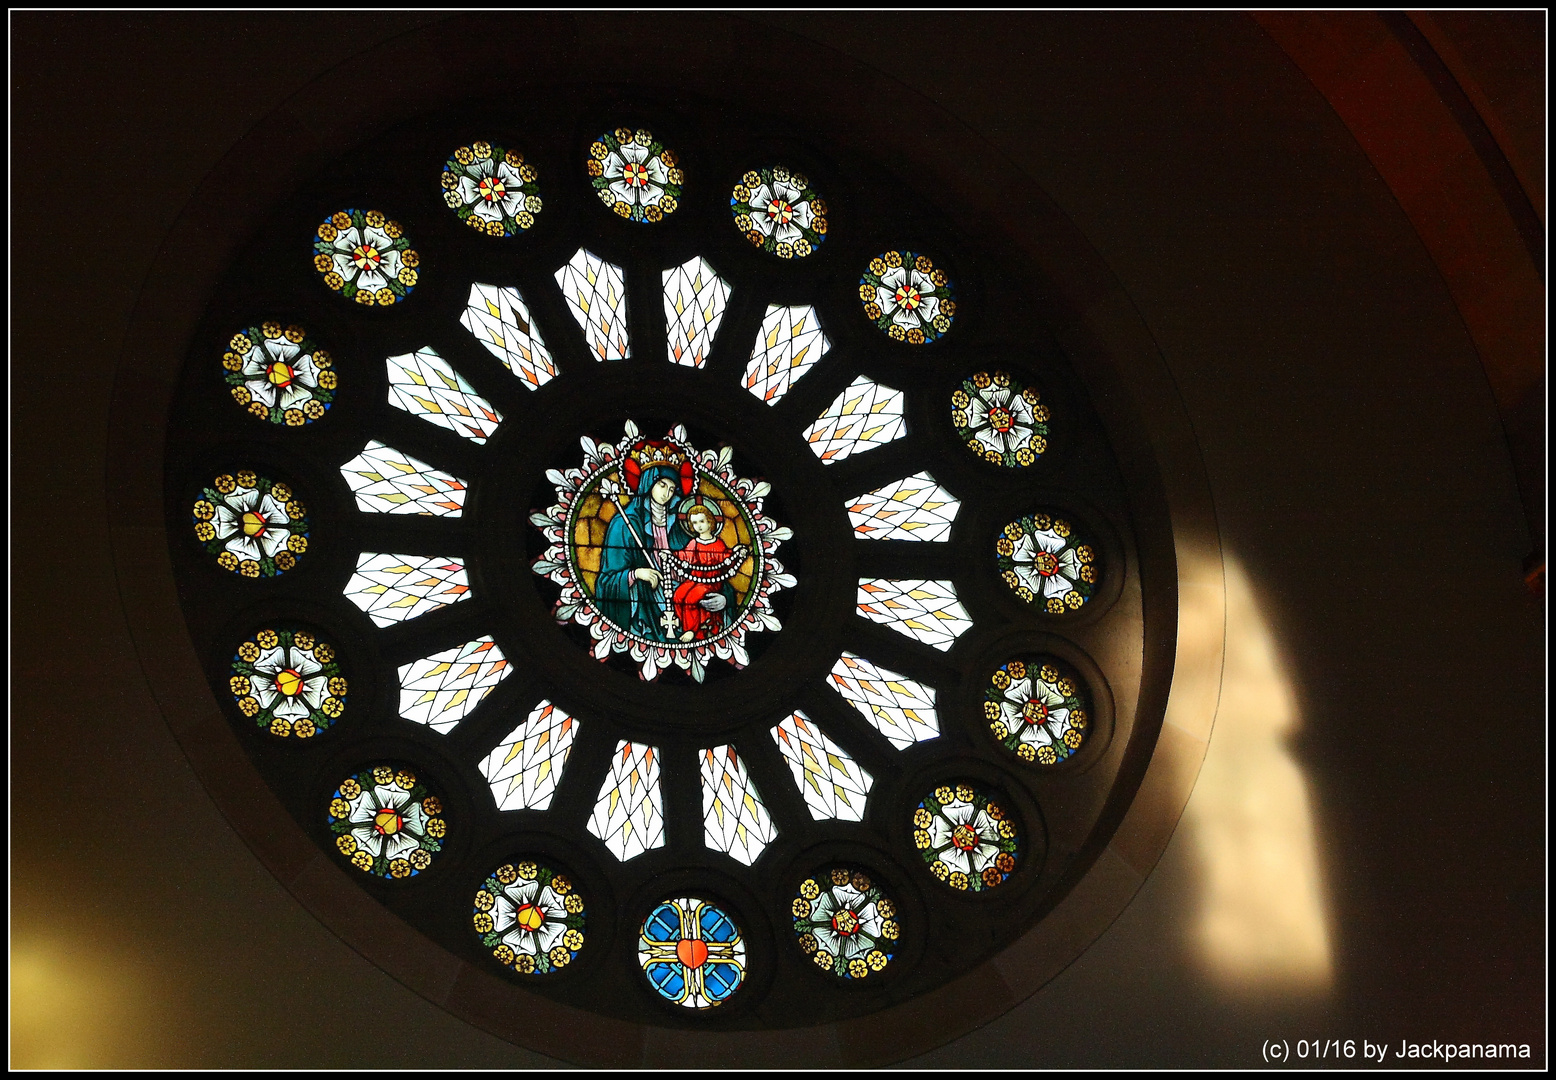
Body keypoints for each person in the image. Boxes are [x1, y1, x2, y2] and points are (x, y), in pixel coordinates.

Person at [591, 463, 689, 641]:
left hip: (680, 595)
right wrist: (635, 574)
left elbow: (697, 566)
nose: (667, 493)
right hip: (645, 599)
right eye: (662, 484)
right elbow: (606, 581)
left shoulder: (680, 524)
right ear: (648, 483)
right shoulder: (625, 523)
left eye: (672, 488)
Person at [668, 504, 744, 642]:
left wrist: (737, 552)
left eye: (702, 521)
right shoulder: (694, 543)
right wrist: (670, 555)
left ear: (710, 521)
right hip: (694, 579)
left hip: (711, 582)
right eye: (695, 523)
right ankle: (684, 621)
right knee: (678, 595)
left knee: (692, 598)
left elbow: (727, 559)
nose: (699, 526)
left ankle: (691, 630)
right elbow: (685, 556)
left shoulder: (718, 544)